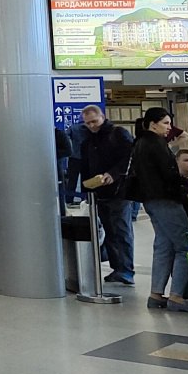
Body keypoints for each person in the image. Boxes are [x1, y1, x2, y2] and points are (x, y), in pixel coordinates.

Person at [128, 108, 188, 313]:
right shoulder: (156, 143)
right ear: (153, 124)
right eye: (166, 123)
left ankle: (156, 294)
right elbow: (168, 174)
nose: (169, 128)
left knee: (163, 246)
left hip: (150, 200)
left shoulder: (140, 142)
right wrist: (187, 181)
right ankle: (177, 297)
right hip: (166, 199)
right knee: (185, 246)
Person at [79, 105, 135, 286]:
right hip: (100, 192)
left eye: (94, 121)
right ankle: (117, 267)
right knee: (110, 231)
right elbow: (85, 165)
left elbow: (130, 157)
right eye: (87, 123)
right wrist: (87, 188)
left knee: (121, 229)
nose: (92, 126)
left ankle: (126, 269)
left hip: (120, 191)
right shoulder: (88, 140)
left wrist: (114, 173)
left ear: (102, 117)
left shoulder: (118, 134)